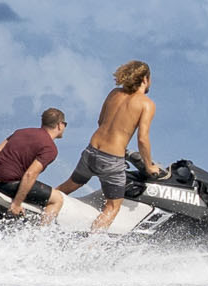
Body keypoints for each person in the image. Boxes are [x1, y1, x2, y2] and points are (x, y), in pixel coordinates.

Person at [50, 60, 162, 231]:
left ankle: (39, 205)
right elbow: (142, 139)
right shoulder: (146, 104)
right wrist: (149, 166)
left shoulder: (114, 93)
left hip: (91, 151)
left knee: (70, 185)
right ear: (145, 79)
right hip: (111, 160)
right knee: (112, 207)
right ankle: (91, 244)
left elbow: (101, 121)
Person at [0, 108, 69, 218]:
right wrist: (17, 204)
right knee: (57, 199)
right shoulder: (50, 148)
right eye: (65, 124)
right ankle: (43, 228)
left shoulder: (21, 132)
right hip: (6, 184)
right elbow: (30, 174)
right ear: (60, 125)